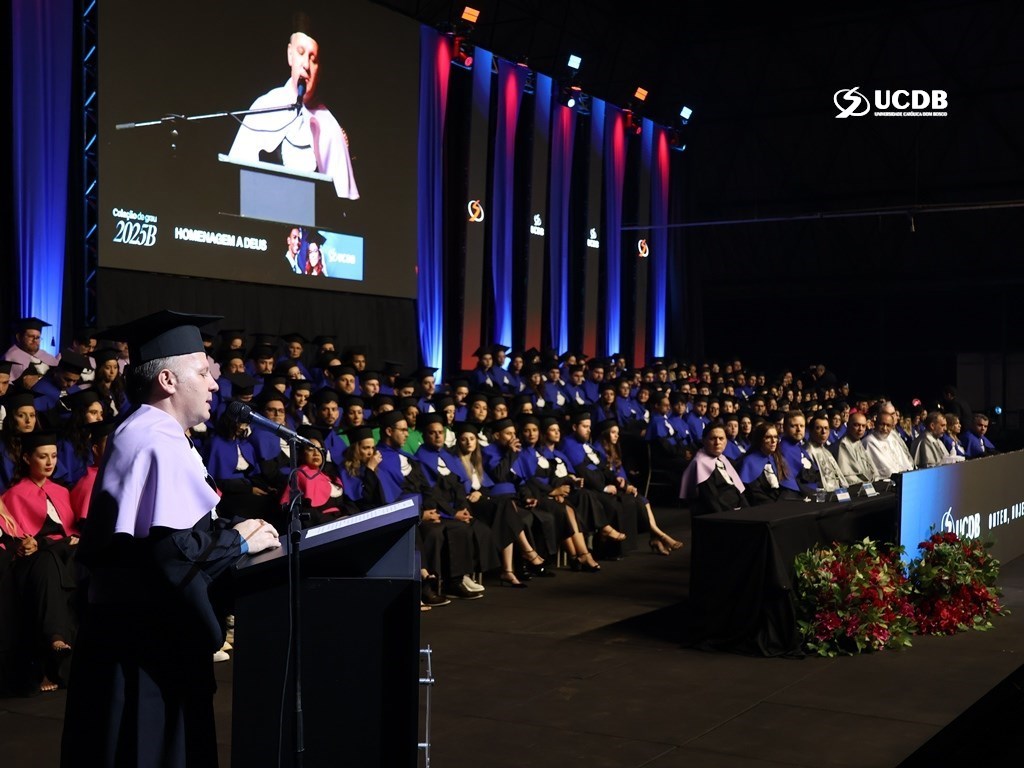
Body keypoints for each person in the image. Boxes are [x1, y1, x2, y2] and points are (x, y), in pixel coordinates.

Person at [61, 310, 281, 768]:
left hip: (134, 637)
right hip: (144, 647)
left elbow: (175, 533)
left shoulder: (153, 432)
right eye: (203, 373)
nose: (215, 384)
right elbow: (171, 554)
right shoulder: (153, 440)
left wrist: (234, 533)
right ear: (167, 380)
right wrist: (239, 542)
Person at [227, 26, 359, 199]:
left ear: (319, 69)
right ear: (290, 55)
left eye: (313, 59)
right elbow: (235, 184)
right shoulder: (264, 106)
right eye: (301, 53)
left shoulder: (330, 127)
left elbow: (342, 205)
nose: (306, 65)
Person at [2, 432, 81, 693]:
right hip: (35, 562)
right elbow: (16, 540)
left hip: (66, 554)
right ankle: (55, 640)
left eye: (54, 456)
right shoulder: (13, 495)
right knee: (49, 560)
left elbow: (73, 531)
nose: (50, 462)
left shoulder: (62, 492)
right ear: (27, 458)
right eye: (43, 456)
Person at [679, 424, 748, 515]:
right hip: (722, 516)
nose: (717, 442)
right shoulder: (700, 464)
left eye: (721, 438)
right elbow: (712, 501)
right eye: (713, 438)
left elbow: (738, 490)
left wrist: (748, 511)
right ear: (704, 441)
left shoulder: (723, 459)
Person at [862, 410, 916, 478]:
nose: (885, 428)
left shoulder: (892, 438)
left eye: (888, 425)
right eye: (882, 424)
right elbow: (885, 469)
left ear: (892, 426)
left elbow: (904, 460)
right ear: (875, 424)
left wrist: (910, 472)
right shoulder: (869, 441)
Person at [831, 411, 880, 487]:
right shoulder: (843, 444)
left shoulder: (857, 441)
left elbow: (871, 468)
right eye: (856, 425)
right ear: (848, 425)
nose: (860, 429)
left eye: (863, 426)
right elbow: (849, 476)